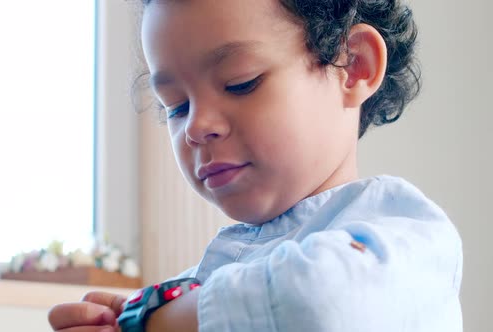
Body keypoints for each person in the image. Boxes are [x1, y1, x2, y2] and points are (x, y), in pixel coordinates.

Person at [48, 0, 463, 331]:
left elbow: (319, 300)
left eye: (240, 82)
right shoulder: (192, 290)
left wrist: (146, 320)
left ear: (353, 67)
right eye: (176, 106)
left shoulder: (404, 238)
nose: (196, 127)